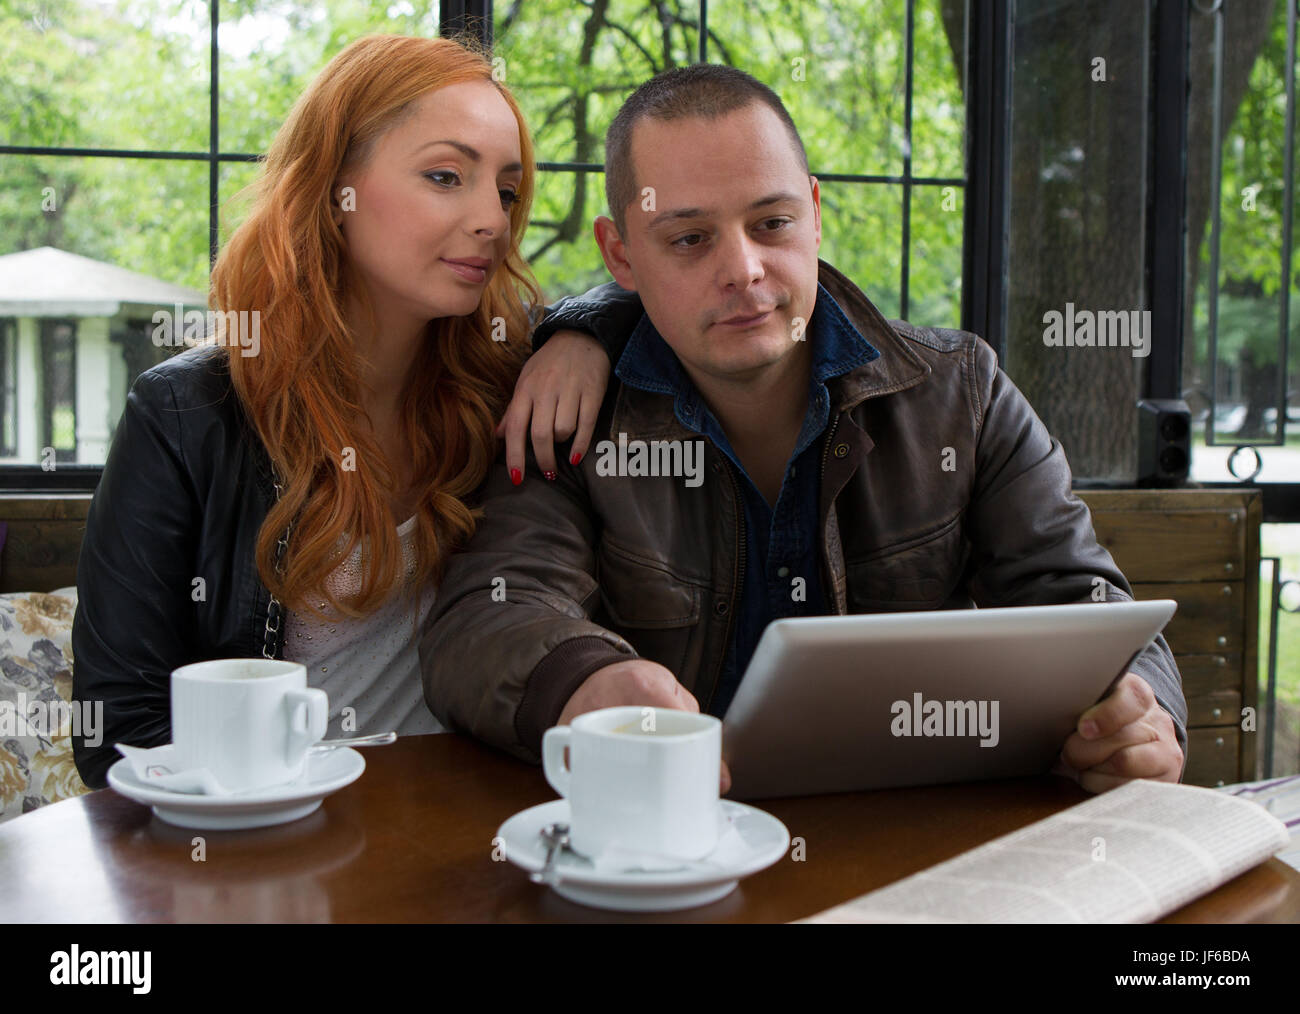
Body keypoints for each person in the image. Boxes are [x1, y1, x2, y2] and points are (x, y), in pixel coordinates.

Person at [422, 64, 1187, 796]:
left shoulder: (964, 393)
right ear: (620, 252)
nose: (746, 269)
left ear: (815, 214)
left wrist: (1141, 716)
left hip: (910, 841)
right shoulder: (573, 415)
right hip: (665, 843)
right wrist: (585, 680)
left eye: (772, 222)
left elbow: (1086, 600)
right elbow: (490, 613)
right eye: (690, 239)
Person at [69, 34, 620, 790]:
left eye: (507, 190)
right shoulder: (185, 415)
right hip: (266, 838)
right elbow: (118, 732)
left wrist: (587, 330)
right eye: (445, 175)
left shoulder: (508, 381)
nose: (492, 219)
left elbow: (669, 287)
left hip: (471, 828)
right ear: (336, 189)